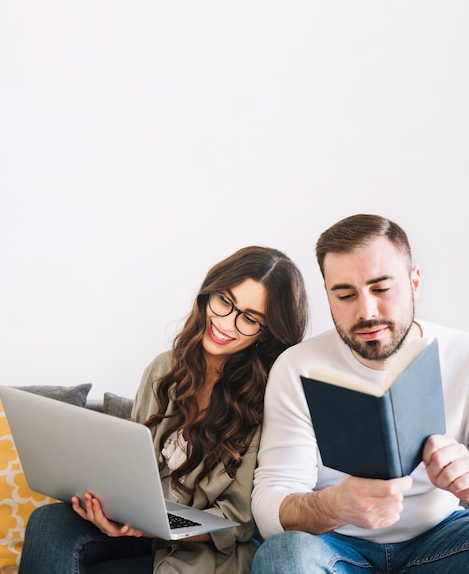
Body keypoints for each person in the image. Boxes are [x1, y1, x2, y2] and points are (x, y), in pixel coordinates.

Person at [251, 214, 469, 573]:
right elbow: (270, 506)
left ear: (414, 282)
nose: (366, 311)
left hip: (444, 539)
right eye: (344, 295)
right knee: (284, 555)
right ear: (326, 293)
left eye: (382, 288)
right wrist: (335, 506)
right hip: (336, 546)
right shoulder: (297, 367)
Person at [19, 245, 309, 574]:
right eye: (225, 301)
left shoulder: (268, 398)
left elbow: (238, 522)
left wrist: (156, 525)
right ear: (208, 294)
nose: (226, 323)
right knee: (48, 521)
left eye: (249, 318)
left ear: (265, 334)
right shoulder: (163, 369)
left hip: (198, 546)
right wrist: (108, 507)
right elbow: (129, 467)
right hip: (139, 527)